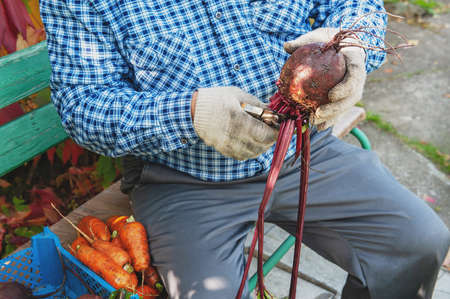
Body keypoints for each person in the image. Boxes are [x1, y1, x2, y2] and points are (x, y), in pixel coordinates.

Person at [40, 0, 449, 298]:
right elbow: (83, 105)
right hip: (184, 180)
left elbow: (353, 5)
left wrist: (354, 47)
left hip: (301, 150)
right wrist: (191, 113)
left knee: (420, 242)